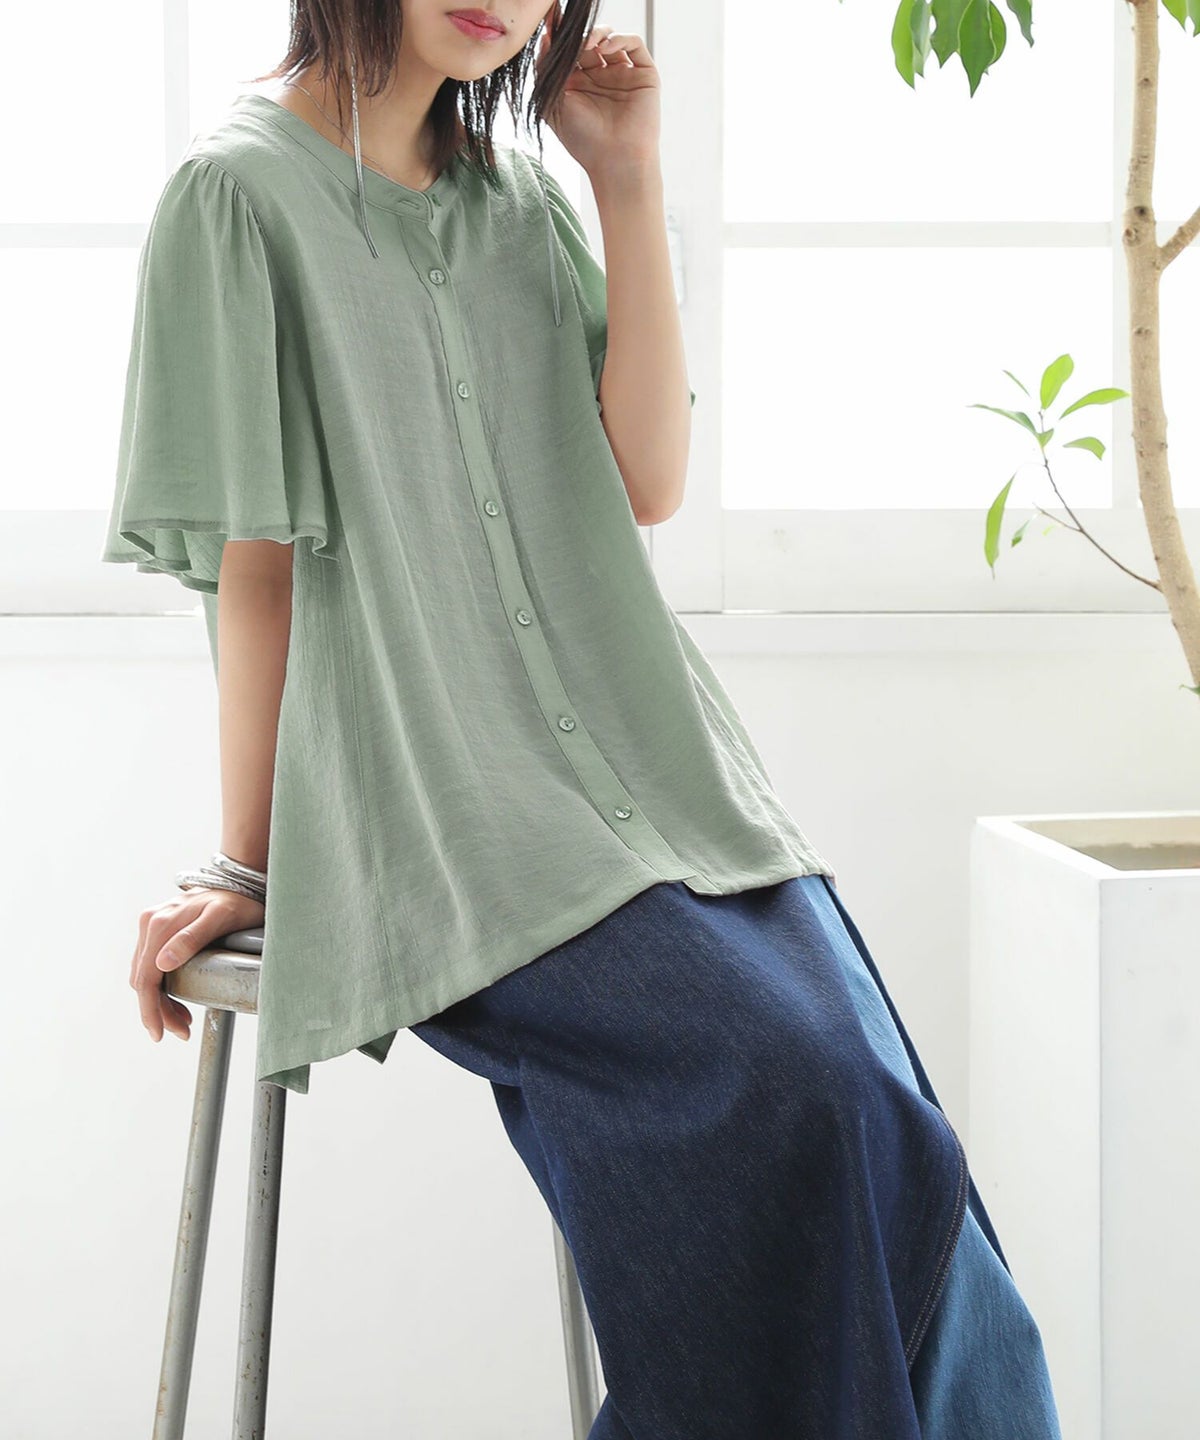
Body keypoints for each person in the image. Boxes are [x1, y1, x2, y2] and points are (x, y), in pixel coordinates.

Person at [103, 2, 1065, 1434]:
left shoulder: (518, 206)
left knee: (885, 1118)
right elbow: (260, 577)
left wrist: (626, 180)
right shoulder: (237, 199)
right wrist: (251, 859)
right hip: (462, 824)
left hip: (674, 785)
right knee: (798, 1094)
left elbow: (649, 479)